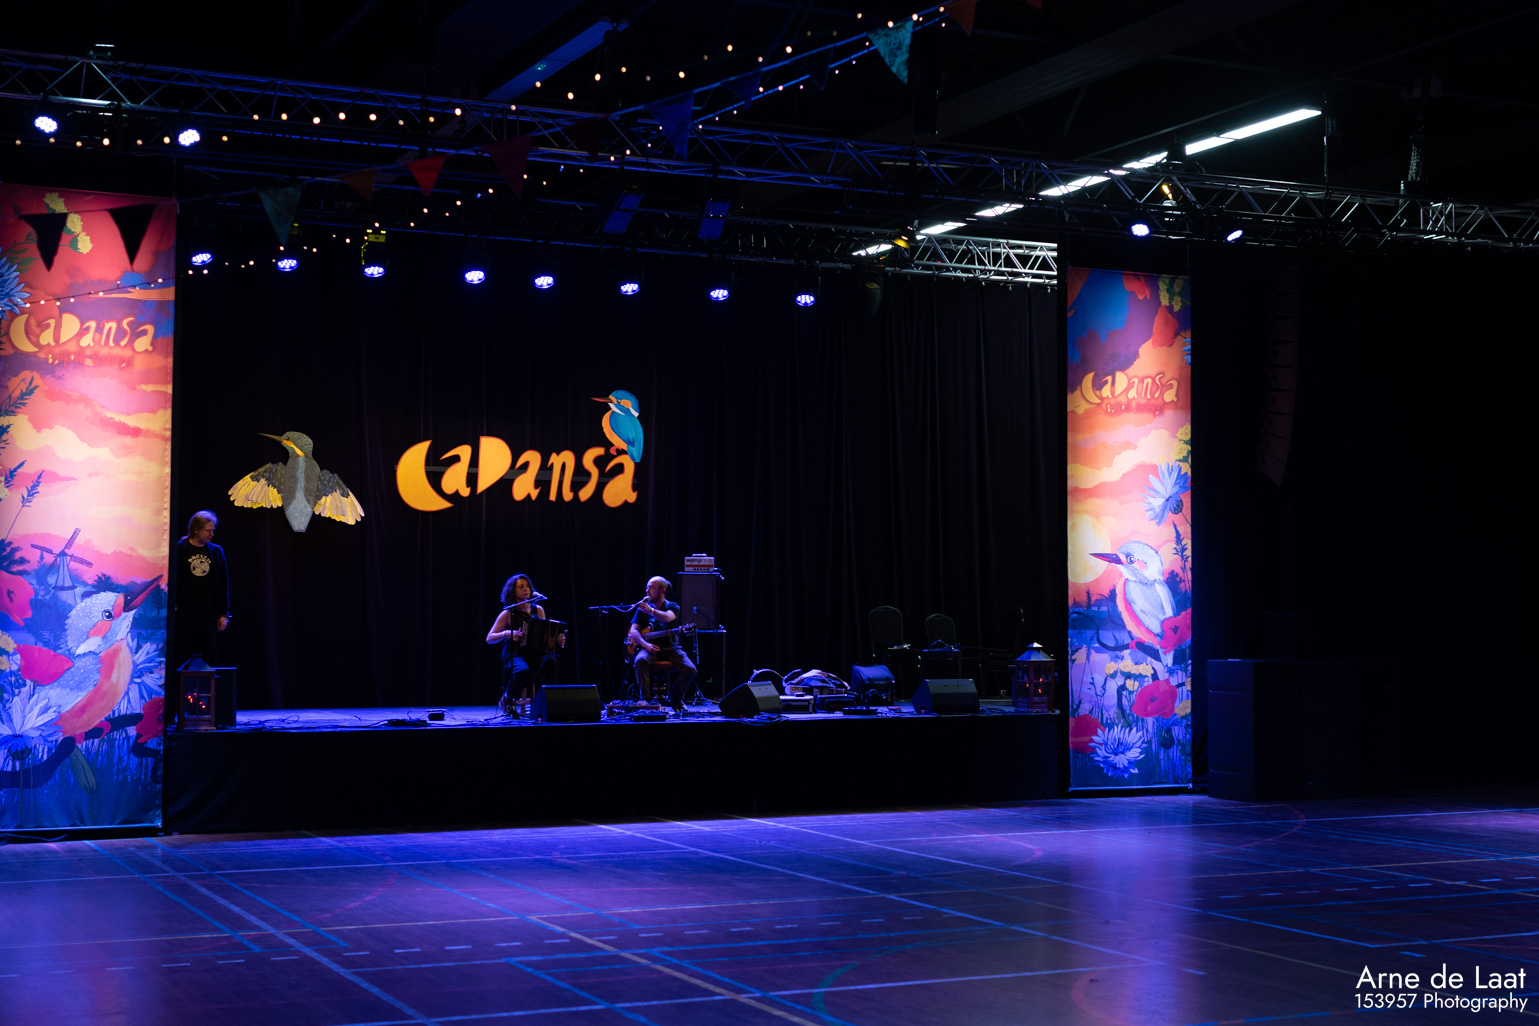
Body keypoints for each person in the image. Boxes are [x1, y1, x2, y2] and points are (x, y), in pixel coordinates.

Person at [485, 573, 564, 717]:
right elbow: (489, 638)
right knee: (522, 671)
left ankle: (544, 701)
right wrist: (507, 633)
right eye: (521, 587)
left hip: (535, 653)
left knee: (551, 662)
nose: (526, 589)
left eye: (527, 586)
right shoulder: (508, 613)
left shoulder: (538, 610)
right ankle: (506, 698)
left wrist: (558, 640)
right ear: (513, 591)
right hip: (514, 653)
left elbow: (544, 636)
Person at [628, 575, 696, 713]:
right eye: (647, 587)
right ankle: (646, 700)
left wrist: (652, 611)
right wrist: (646, 645)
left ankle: (675, 698)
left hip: (671, 648)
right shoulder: (642, 609)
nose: (647, 591)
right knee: (640, 660)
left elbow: (668, 618)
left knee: (691, 669)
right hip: (649, 648)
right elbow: (633, 631)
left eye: (652, 588)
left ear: (662, 591)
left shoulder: (672, 606)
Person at [173, 510, 230, 671]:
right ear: (196, 530)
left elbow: (223, 583)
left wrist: (224, 614)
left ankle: (202, 688)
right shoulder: (180, 549)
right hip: (185, 614)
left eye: (213, 530)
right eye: (207, 530)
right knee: (181, 657)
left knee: (205, 659)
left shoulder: (216, 552)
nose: (212, 534)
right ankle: (180, 687)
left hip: (209, 615)